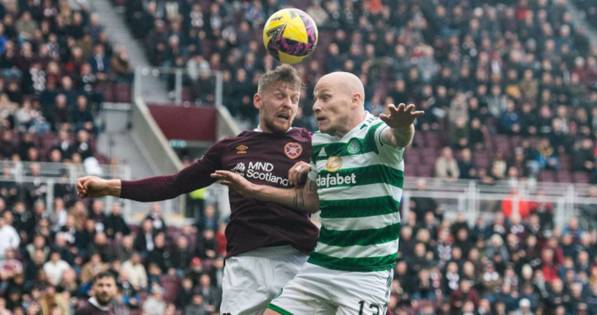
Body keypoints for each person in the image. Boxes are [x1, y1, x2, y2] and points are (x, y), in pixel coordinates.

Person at [76, 64, 319, 315]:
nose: (288, 105)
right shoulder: (230, 148)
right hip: (247, 264)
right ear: (258, 100)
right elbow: (174, 184)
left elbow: (341, 180)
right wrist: (110, 187)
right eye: (280, 95)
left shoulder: (310, 143)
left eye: (294, 99)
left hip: (297, 261)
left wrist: (313, 170)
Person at [212, 71, 423, 314]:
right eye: (315, 99)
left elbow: (396, 138)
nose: (315, 107)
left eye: (325, 98)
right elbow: (306, 199)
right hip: (321, 265)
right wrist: (254, 189)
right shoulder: (320, 142)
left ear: (355, 100)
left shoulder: (373, 133)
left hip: (366, 275)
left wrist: (404, 127)